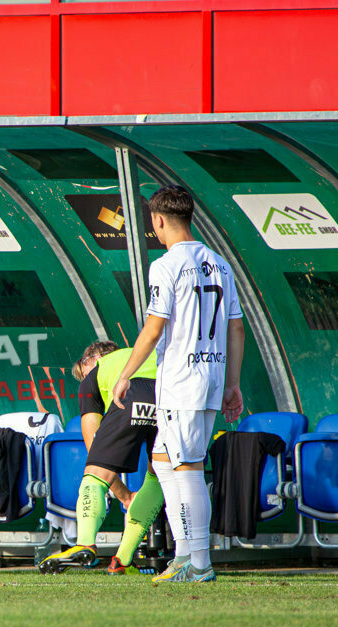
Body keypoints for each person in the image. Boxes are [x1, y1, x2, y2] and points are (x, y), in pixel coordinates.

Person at [111, 185, 244, 584]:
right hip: (210, 377)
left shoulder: (166, 265)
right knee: (165, 463)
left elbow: (154, 328)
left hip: (182, 382)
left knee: (186, 468)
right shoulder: (220, 263)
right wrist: (232, 384)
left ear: (158, 221)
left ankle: (200, 562)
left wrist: (126, 372)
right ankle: (184, 554)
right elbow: (236, 327)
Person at [39, 340, 163, 575]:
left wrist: (122, 494)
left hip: (131, 393)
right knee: (158, 475)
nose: (84, 376)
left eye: (84, 369)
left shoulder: (98, 371)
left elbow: (91, 441)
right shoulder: (148, 353)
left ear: (94, 359)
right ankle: (122, 561)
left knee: (94, 475)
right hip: (170, 394)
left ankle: (84, 543)